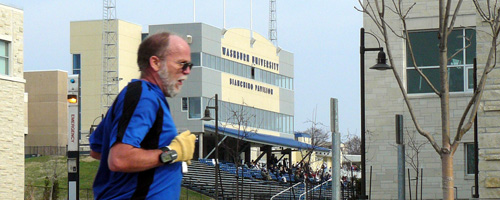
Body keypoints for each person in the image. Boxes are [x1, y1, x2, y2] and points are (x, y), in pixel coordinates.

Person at [89, 32, 196, 200]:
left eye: (190, 65)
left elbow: (98, 151)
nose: (187, 71)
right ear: (155, 63)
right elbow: (119, 159)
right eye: (182, 64)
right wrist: (173, 153)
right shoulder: (144, 97)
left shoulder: (143, 97)